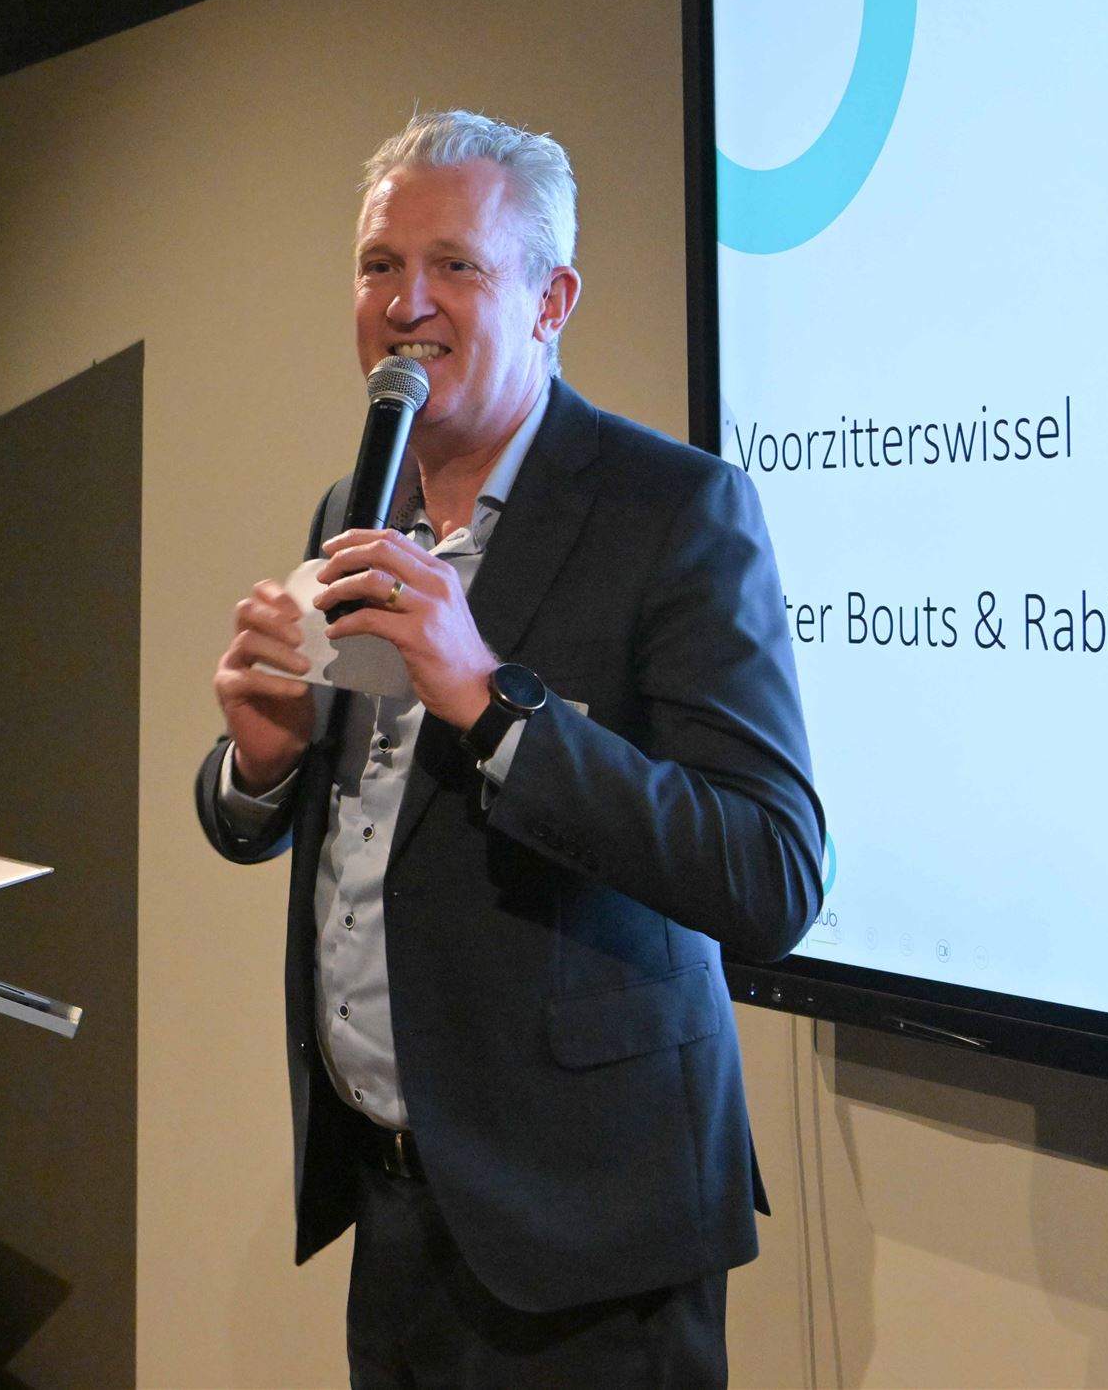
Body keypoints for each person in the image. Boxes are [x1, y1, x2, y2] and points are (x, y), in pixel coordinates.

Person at [197, 108, 824, 1387]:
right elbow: (361, 824)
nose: (405, 303)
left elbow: (769, 870)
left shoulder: (673, 510)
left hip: (587, 1232)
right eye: (379, 265)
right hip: (394, 1205)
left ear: (551, 300)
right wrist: (262, 765)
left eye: (455, 265)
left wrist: (490, 704)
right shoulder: (353, 505)